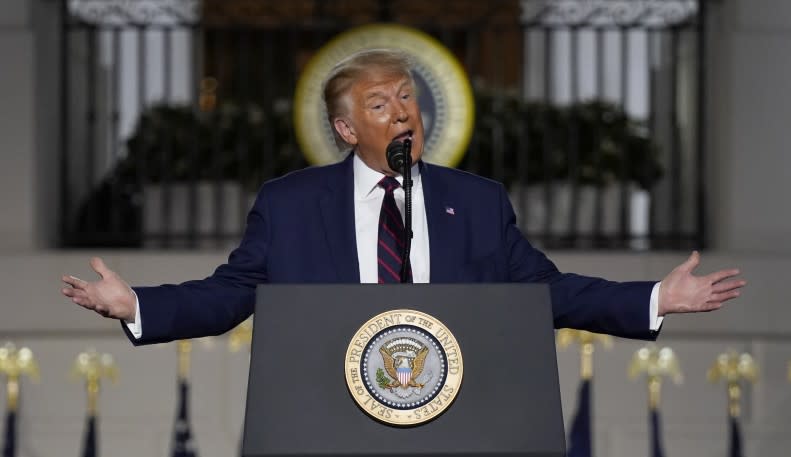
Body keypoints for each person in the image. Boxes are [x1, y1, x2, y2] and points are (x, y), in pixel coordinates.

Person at [61, 49, 744, 345]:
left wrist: (656, 298)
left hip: (459, 419)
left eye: (408, 98)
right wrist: (137, 305)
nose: (403, 114)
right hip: (326, 422)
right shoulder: (292, 205)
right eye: (380, 104)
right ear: (346, 128)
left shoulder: (475, 203)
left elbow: (548, 292)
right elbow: (230, 293)